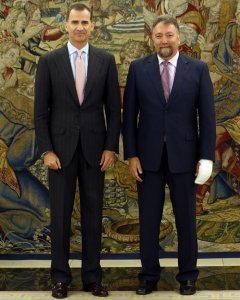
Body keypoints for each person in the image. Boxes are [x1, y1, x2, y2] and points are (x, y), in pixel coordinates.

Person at [122, 15, 216, 296]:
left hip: (185, 158)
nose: (164, 40)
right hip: (147, 158)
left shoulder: (198, 69)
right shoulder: (138, 69)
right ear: (153, 38)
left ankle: (188, 276)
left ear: (179, 38)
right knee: (148, 221)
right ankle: (148, 276)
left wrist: (206, 157)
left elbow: (207, 117)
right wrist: (132, 155)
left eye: (169, 35)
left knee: (186, 220)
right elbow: (129, 117)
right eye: (159, 36)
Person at [34, 3, 121, 299]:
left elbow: (114, 110)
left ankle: (92, 277)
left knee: (93, 215)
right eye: (75, 21)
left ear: (93, 25)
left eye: (85, 21)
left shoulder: (106, 60)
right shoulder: (49, 61)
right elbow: (40, 113)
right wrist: (46, 150)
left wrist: (111, 147)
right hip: (59, 152)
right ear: (66, 24)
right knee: (59, 217)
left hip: (96, 152)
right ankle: (60, 277)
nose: (80, 26)